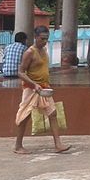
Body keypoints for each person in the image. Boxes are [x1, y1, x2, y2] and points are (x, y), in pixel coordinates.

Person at [14, 26, 70, 154]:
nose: (44, 41)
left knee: (53, 113)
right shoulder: (29, 52)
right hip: (31, 88)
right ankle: (18, 145)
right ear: (36, 37)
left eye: (46, 39)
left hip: (44, 87)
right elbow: (21, 72)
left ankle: (58, 144)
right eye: (42, 39)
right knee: (25, 116)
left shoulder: (44, 50)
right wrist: (34, 84)